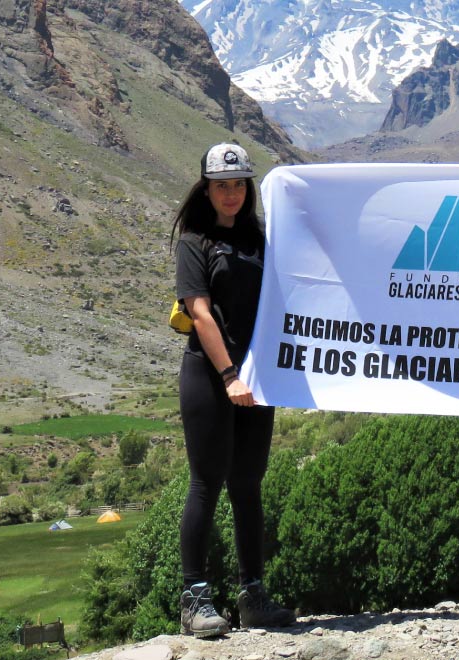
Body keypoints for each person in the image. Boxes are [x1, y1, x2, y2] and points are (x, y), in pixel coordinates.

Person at [170, 143, 295, 637]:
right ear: (207, 188)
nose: (231, 194)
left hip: (257, 378)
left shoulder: (262, 238)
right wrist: (229, 377)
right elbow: (199, 312)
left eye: (239, 184)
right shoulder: (193, 241)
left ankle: (253, 596)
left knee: (248, 485)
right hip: (209, 375)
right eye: (221, 185)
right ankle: (195, 599)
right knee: (207, 484)